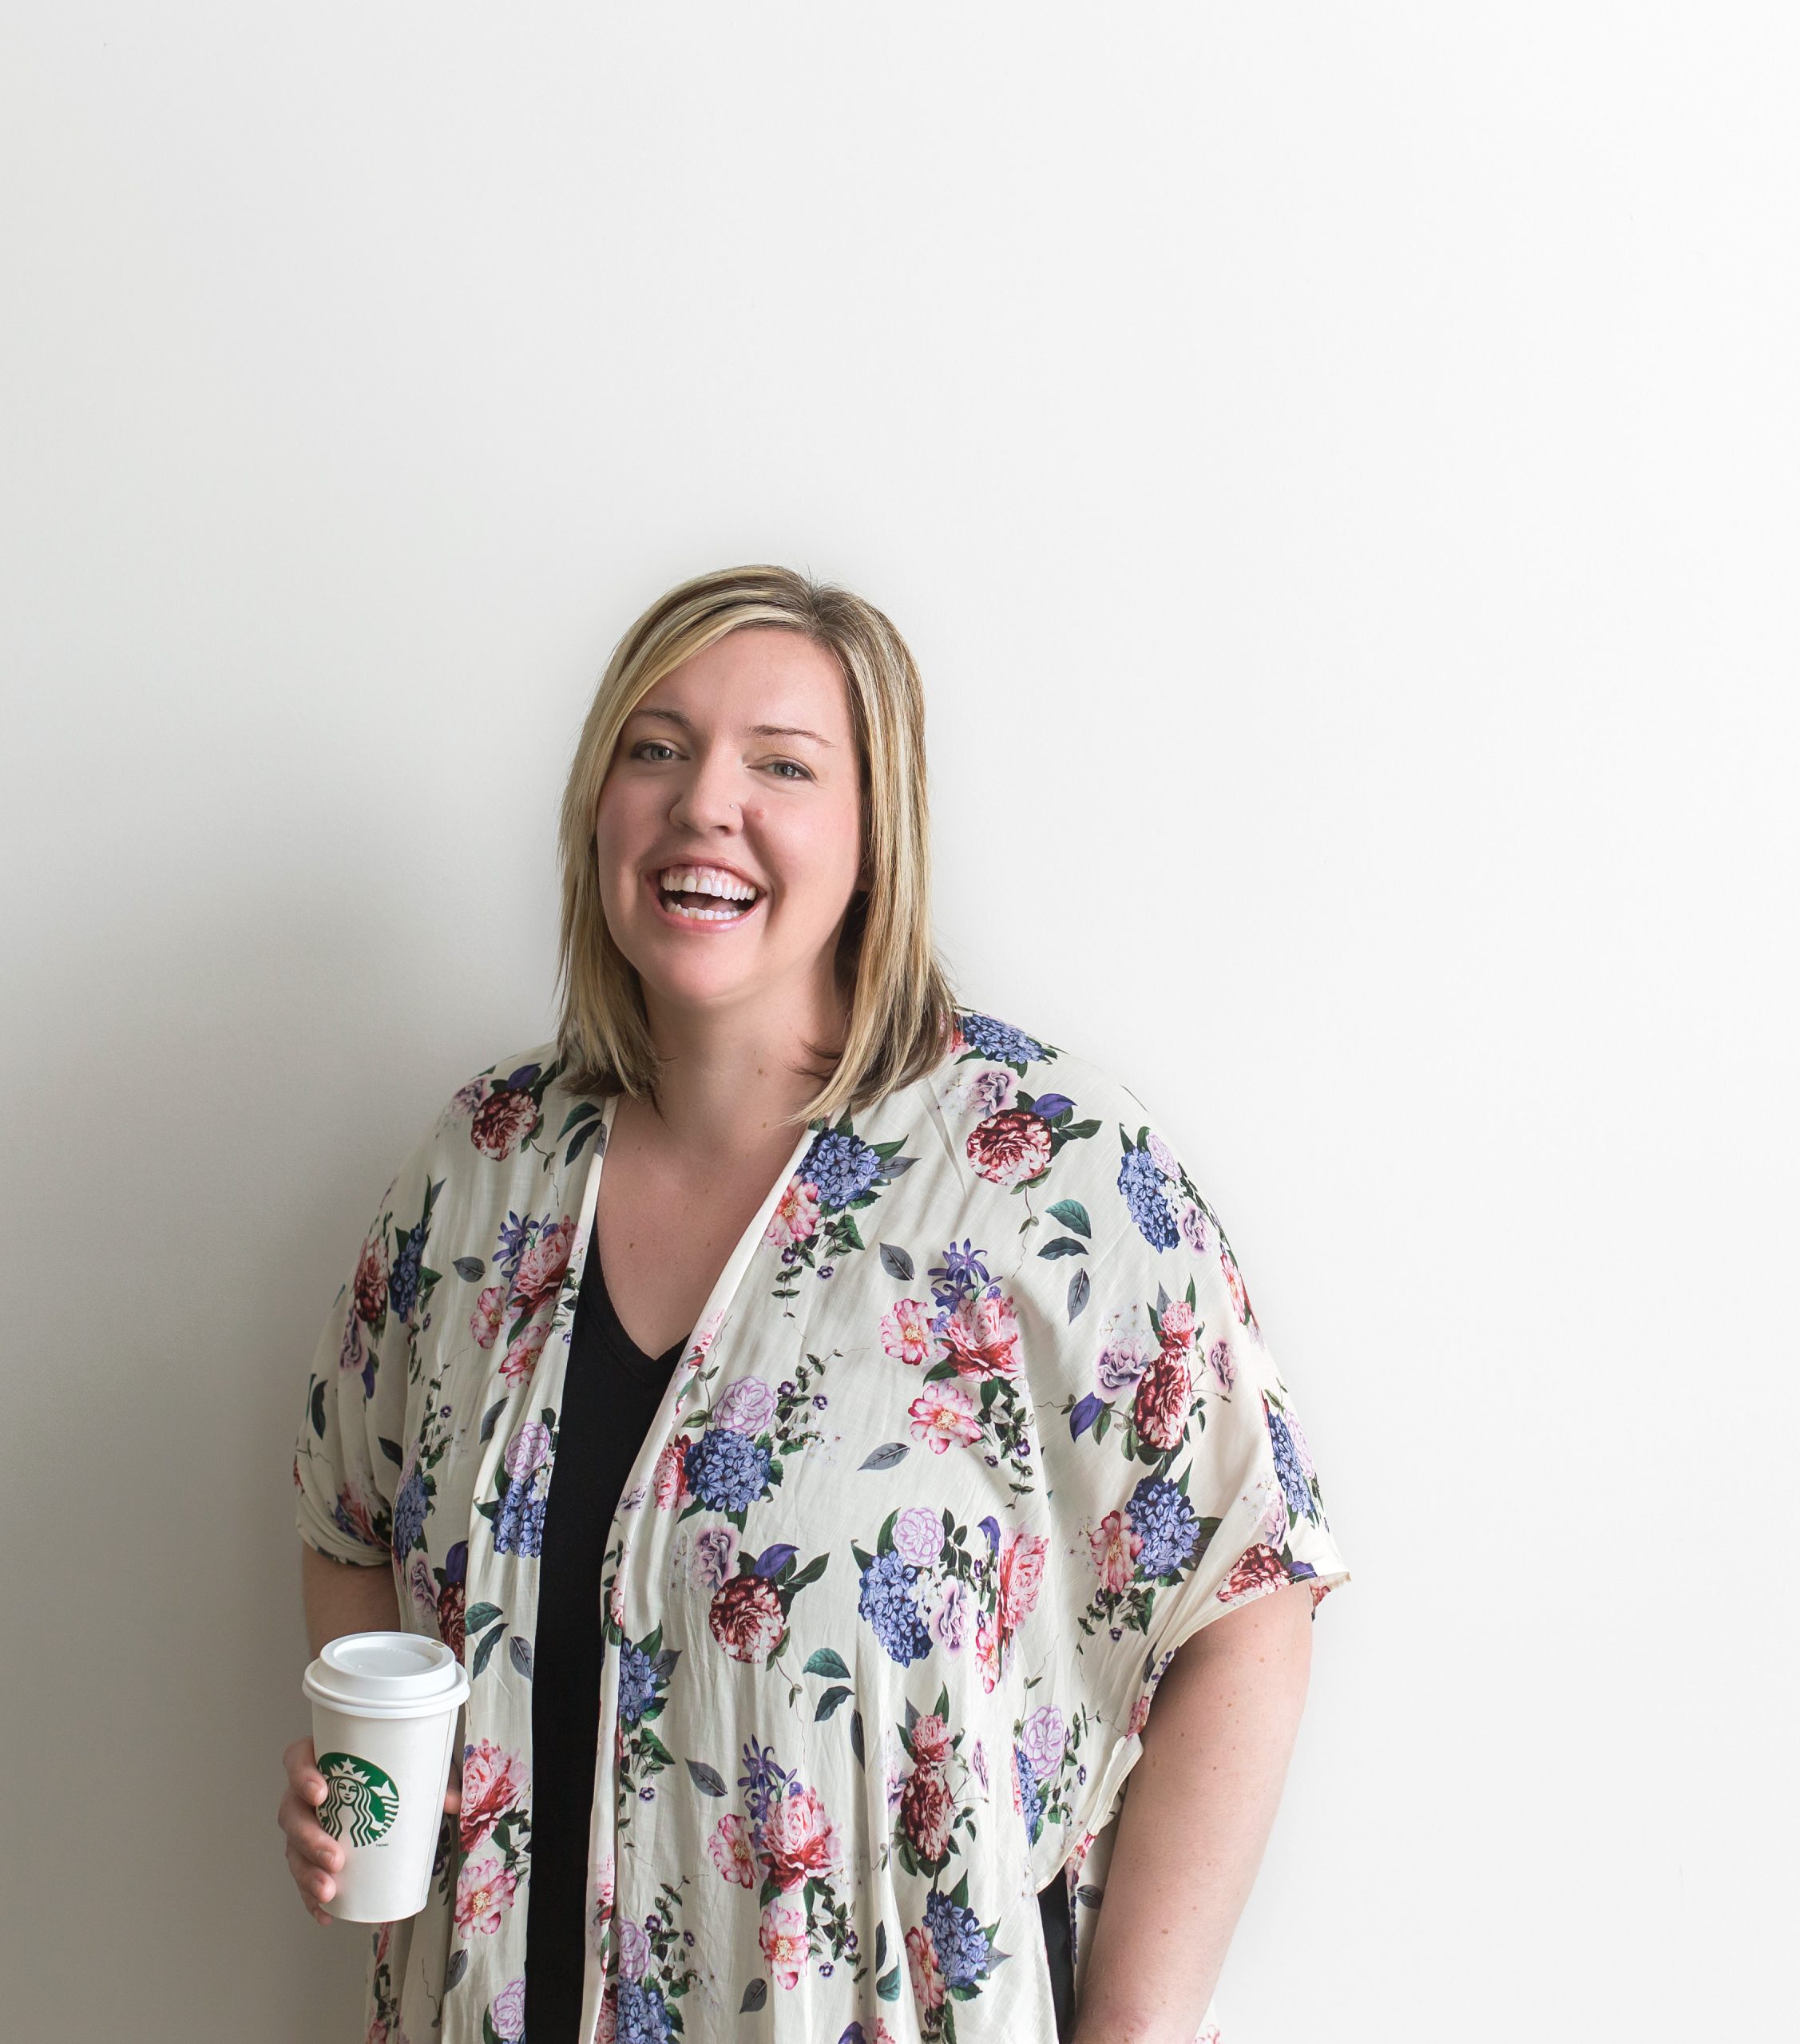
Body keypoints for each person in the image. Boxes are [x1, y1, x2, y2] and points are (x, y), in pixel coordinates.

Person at [278, 564, 1351, 2044]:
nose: (703, 801)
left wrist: (1137, 2026)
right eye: (654, 749)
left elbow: (1250, 1582)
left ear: (873, 835)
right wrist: (360, 1799)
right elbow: (350, 1514)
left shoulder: (1043, 1172)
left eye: (782, 765)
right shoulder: (477, 1178)